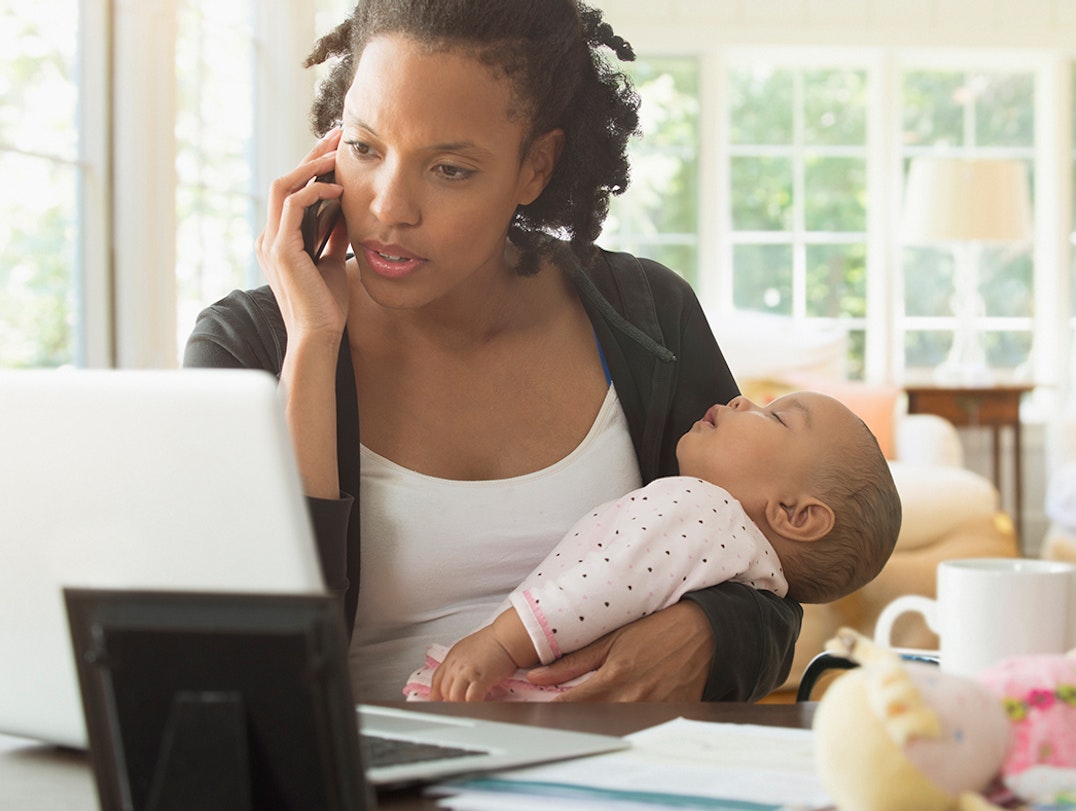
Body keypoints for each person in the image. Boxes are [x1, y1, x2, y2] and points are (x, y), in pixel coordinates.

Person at [183, 0, 803, 703]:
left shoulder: (650, 317)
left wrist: (708, 635)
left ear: (535, 167)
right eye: (364, 148)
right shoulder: (248, 347)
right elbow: (248, 656)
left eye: (448, 169)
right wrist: (313, 345)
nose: (390, 207)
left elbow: (777, 580)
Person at [404, 391, 903, 702]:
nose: (740, 401)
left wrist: (498, 642)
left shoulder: (701, 508)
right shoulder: (747, 569)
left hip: (525, 692)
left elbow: (602, 584)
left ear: (795, 514)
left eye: (775, 418)